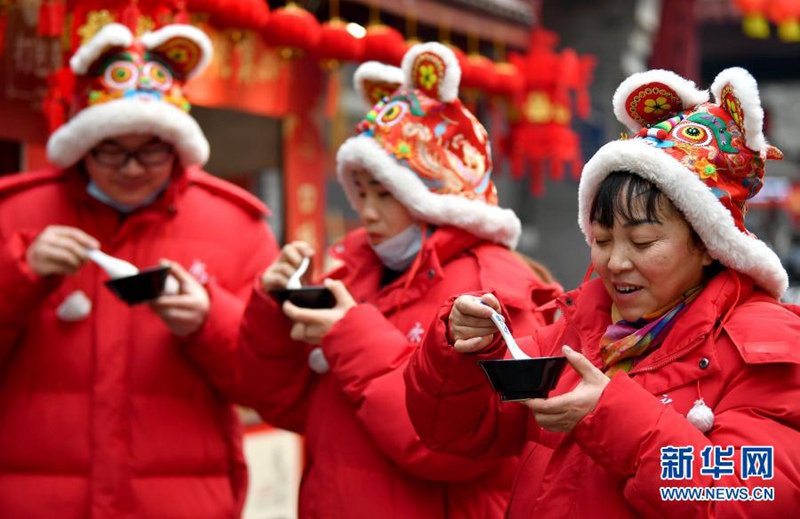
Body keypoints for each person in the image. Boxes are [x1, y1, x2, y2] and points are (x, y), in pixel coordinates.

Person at [405, 67, 800, 516]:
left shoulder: (768, 347)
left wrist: (610, 415)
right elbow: (453, 432)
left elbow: (751, 495)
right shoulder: (579, 328)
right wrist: (464, 351)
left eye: (643, 242)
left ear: (708, 243)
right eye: (603, 239)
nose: (615, 263)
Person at [237, 43, 562, 518]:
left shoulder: (492, 288)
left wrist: (350, 338)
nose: (366, 212)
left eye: (385, 193)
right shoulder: (357, 269)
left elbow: (450, 449)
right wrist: (273, 309)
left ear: (436, 193)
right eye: (360, 191)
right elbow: (287, 406)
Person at [0, 23, 278, 518]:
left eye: (150, 150)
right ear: (84, 143)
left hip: (181, 505)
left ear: (176, 145)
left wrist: (207, 322)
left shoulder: (237, 226)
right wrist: (18, 276)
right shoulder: (14, 213)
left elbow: (278, 383)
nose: (130, 168)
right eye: (111, 149)